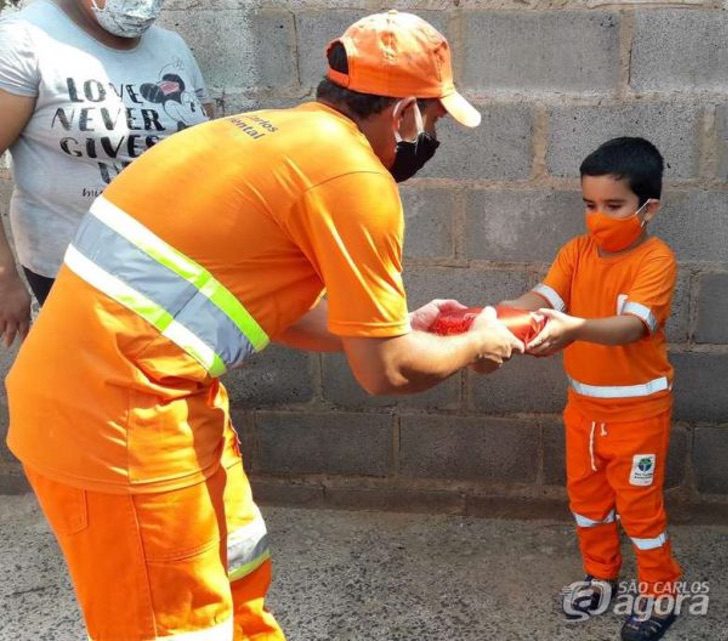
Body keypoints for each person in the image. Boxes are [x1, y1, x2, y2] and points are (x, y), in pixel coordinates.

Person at [6, 10, 523, 641]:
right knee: (172, 626)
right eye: (434, 121)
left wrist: (391, 324)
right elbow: (386, 373)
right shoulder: (354, 175)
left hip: (145, 396)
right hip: (121, 423)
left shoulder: (255, 136)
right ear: (404, 113)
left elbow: (254, 306)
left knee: (238, 573)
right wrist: (476, 344)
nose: (428, 140)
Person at [502, 137, 682, 641]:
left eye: (613, 206)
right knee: (587, 501)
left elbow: (631, 327)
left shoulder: (656, 261)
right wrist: (500, 315)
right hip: (583, 410)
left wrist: (574, 328)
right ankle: (601, 575)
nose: (598, 216)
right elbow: (543, 295)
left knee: (640, 509)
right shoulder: (576, 252)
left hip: (638, 415)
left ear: (649, 209)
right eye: (589, 204)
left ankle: (660, 590)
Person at [0, 0, 213, 346]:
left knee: (165, 385)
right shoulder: (25, 40)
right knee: (98, 388)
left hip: (173, 264)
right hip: (78, 267)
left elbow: (207, 143)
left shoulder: (171, 47)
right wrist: (4, 278)